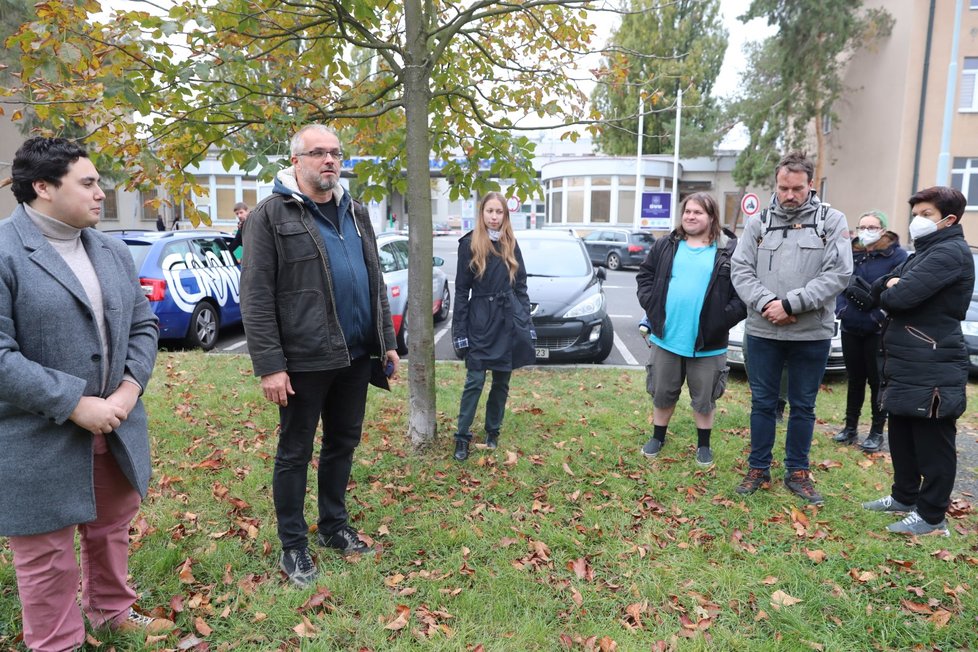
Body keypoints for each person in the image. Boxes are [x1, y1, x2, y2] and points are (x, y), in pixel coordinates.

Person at [0, 137, 171, 650]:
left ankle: (111, 610)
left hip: (113, 424)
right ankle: (57, 642)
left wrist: (126, 391)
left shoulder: (111, 249)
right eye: (89, 183)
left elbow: (145, 326)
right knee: (46, 551)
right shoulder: (6, 252)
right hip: (37, 434)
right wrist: (74, 403)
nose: (102, 193)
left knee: (111, 525)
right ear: (43, 187)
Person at [240, 124, 399, 587]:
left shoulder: (356, 211)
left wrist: (386, 340)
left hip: (354, 355)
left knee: (343, 443)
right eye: (318, 153)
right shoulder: (270, 216)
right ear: (296, 161)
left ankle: (333, 526)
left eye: (334, 153)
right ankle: (294, 547)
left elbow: (373, 281)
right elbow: (255, 297)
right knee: (294, 452)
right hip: (304, 360)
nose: (329, 160)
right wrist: (270, 365)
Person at [731, 152, 853, 505]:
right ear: (776, 184)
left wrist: (790, 305)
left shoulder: (831, 220)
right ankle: (758, 467)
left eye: (797, 188)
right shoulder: (759, 223)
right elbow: (740, 270)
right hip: (763, 330)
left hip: (809, 333)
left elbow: (838, 273)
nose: (789, 195)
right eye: (783, 187)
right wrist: (769, 303)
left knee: (803, 406)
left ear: (811, 184)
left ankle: (798, 471)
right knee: (763, 403)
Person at [858, 187, 974, 536]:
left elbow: (898, 298)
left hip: (934, 361)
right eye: (917, 213)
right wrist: (891, 284)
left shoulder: (950, 253)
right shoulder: (926, 251)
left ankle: (932, 516)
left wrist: (893, 287)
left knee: (933, 442)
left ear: (948, 220)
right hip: (909, 360)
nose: (917, 221)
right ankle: (904, 497)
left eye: (926, 215)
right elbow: (879, 287)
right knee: (904, 434)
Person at [636, 192, 746, 467]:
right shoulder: (666, 245)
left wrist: (721, 319)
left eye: (698, 212)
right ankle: (658, 437)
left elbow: (742, 294)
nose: (690, 216)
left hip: (708, 344)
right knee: (662, 392)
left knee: (705, 398)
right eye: (687, 212)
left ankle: (703, 445)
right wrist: (652, 306)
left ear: (711, 217)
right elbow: (645, 277)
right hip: (667, 338)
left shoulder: (728, 250)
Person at [451, 191, 535, 462]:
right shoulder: (469, 244)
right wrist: (459, 333)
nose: (495, 217)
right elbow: (462, 292)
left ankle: (493, 432)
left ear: (505, 215)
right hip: (480, 321)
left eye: (499, 212)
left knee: (501, 381)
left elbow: (521, 287)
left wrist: (527, 324)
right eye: (490, 211)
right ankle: (462, 437)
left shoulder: (511, 243)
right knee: (474, 380)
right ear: (482, 213)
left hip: (508, 320)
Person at [833, 210, 908, 452]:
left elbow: (899, 291)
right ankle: (850, 427)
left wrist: (879, 316)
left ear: (883, 229)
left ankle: (876, 431)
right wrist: (841, 310)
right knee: (855, 379)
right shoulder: (850, 251)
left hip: (879, 330)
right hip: (851, 326)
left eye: (872, 226)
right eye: (862, 226)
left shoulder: (896, 255)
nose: (866, 231)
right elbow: (839, 283)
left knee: (877, 381)